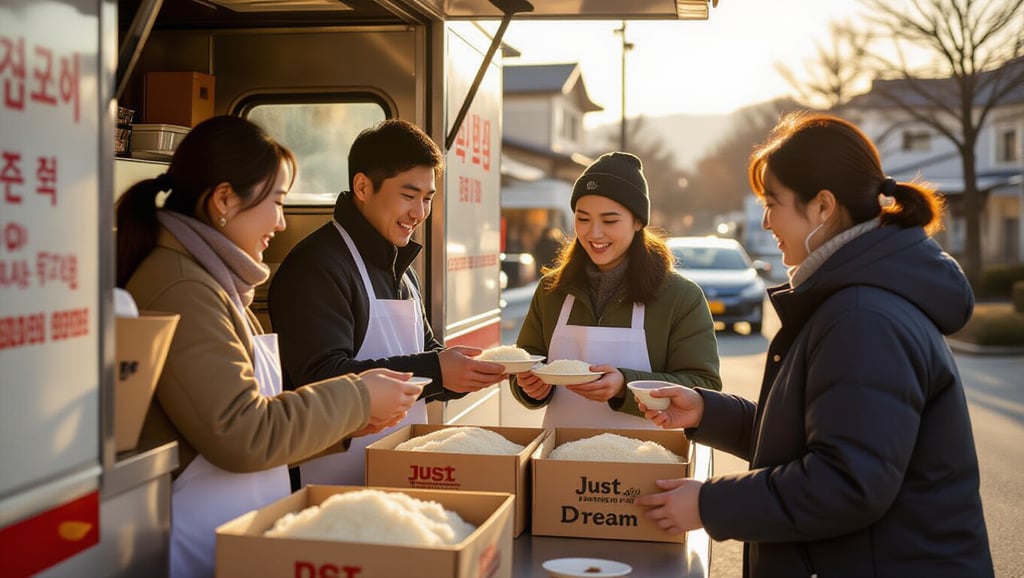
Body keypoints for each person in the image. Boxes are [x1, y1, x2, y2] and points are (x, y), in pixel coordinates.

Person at [635, 112, 994, 577]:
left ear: (823, 207)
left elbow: (846, 482)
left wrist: (709, 504)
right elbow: (814, 440)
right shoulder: (850, 300)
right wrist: (707, 411)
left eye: (773, 202)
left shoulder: (864, 317)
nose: (764, 222)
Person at [116, 115, 423, 578]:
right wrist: (359, 398)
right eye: (276, 202)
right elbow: (243, 432)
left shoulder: (211, 283)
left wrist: (350, 422)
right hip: (200, 538)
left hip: (233, 527)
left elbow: (254, 417)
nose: (281, 222)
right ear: (224, 200)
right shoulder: (182, 288)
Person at [268, 119, 505, 486]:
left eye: (428, 198)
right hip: (329, 480)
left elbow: (425, 351)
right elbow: (318, 377)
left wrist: (463, 373)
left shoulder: (402, 267)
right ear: (362, 186)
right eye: (409, 196)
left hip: (400, 474)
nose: (420, 213)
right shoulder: (316, 265)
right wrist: (437, 369)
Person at [509, 152, 722, 428]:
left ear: (637, 222)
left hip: (650, 457)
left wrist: (625, 385)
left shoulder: (680, 297)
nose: (594, 233)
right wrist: (529, 387)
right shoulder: (552, 290)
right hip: (560, 458)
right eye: (583, 219)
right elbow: (525, 364)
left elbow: (704, 386)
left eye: (609, 221)